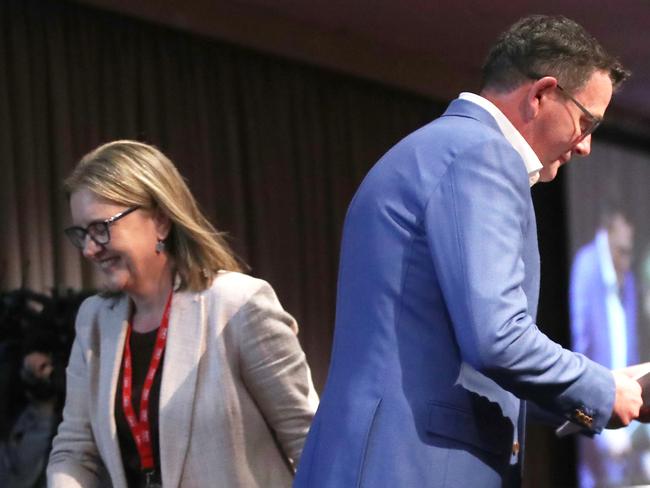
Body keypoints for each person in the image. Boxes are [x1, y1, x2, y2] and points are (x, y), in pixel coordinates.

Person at [294, 15, 646, 488]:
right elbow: (498, 340)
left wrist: (608, 393)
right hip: (411, 469)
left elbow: (466, 360)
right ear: (541, 95)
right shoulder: (483, 155)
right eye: (586, 121)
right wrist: (604, 391)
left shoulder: (444, 148)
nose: (586, 146)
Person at [47, 140, 317, 487]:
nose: (88, 249)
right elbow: (74, 450)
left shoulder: (237, 304)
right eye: (81, 233)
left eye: (101, 228)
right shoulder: (95, 320)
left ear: (160, 220)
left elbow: (310, 439)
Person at [570, 206, 638, 486]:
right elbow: (578, 349)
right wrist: (600, 420)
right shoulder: (586, 268)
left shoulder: (629, 280)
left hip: (625, 430)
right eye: (620, 252)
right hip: (592, 426)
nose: (625, 262)